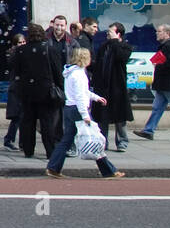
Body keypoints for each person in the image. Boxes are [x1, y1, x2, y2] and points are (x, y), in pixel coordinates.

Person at [47, 47, 124, 179]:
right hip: (78, 109)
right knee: (95, 138)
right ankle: (108, 171)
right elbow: (80, 96)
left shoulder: (71, 72)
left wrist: (96, 97)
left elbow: (83, 92)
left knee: (66, 140)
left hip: (69, 108)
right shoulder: (79, 75)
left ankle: (53, 167)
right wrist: (85, 115)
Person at [11, 23, 63, 159]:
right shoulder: (49, 49)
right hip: (46, 91)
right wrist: (61, 88)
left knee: (28, 121)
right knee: (47, 122)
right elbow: (58, 72)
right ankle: (50, 151)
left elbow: (16, 71)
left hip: (27, 90)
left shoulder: (21, 51)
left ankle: (28, 150)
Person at [93, 23, 132, 152]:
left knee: (119, 117)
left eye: (110, 32)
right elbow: (98, 63)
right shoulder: (104, 47)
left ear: (118, 34)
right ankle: (103, 141)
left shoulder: (124, 47)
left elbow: (122, 57)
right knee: (102, 117)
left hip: (117, 86)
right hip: (103, 86)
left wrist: (115, 42)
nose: (107, 34)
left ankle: (122, 141)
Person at [2, 32, 27, 151]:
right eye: (19, 43)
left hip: (21, 88)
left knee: (21, 117)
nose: (22, 44)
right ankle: (9, 139)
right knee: (17, 117)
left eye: (23, 42)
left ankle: (21, 141)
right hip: (16, 88)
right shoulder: (13, 54)